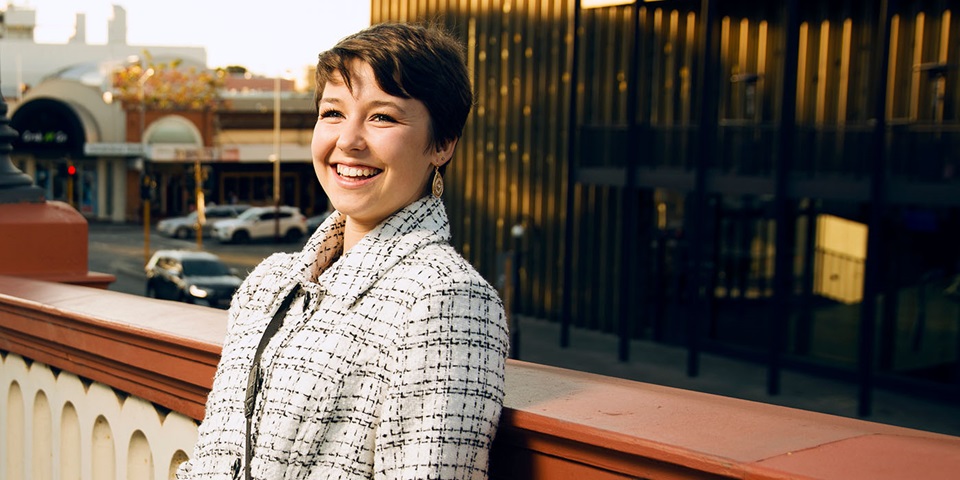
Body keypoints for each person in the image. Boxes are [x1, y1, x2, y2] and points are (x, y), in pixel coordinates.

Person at [177, 22, 509, 479]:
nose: (348, 141)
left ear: (442, 144)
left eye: (382, 117)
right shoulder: (270, 284)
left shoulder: (446, 299)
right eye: (333, 112)